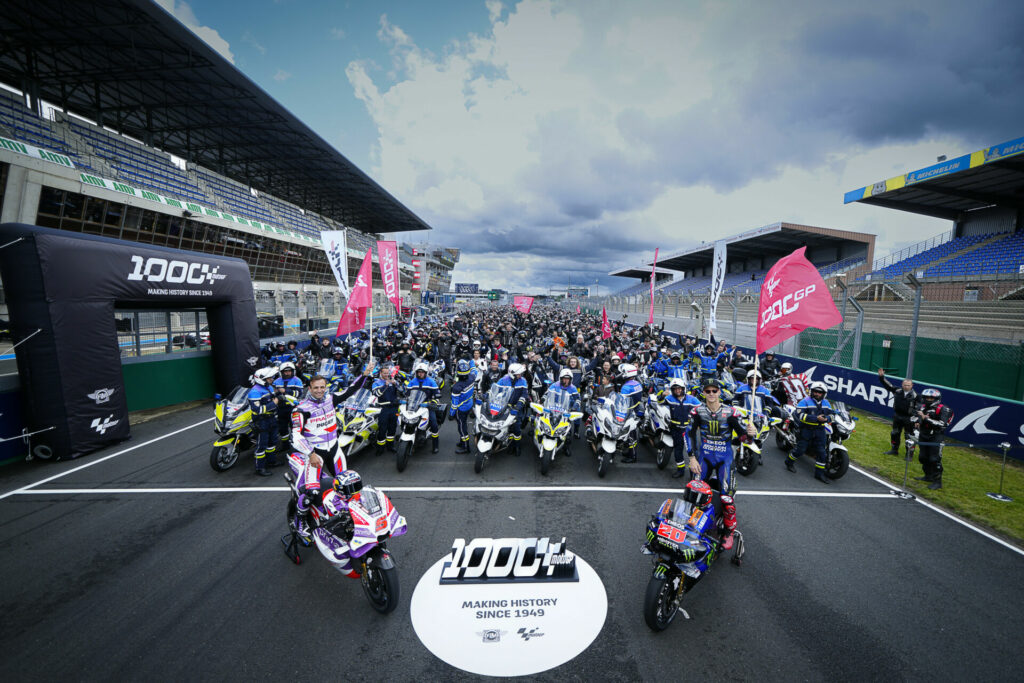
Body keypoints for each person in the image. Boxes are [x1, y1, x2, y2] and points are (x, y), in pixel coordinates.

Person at [687, 378, 755, 549]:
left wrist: (751, 434)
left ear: (719, 392)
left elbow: (743, 437)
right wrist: (692, 458)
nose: (711, 394)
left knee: (726, 497)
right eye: (708, 391)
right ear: (703, 393)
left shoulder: (731, 412)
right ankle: (691, 524)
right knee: (694, 493)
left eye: (714, 391)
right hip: (704, 458)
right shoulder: (696, 411)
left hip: (725, 458)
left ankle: (729, 531)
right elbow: (688, 435)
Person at [785, 381, 833, 484]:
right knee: (800, 450)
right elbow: (799, 416)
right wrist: (816, 418)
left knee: (822, 453)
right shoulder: (804, 401)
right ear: (812, 391)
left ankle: (819, 474)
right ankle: (789, 462)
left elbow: (832, 415)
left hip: (820, 431)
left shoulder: (827, 403)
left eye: (820, 392)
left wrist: (827, 418)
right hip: (806, 429)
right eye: (815, 391)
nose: (817, 394)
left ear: (824, 394)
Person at [911, 388, 953, 489]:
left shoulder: (944, 409)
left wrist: (926, 418)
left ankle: (937, 482)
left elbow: (943, 425)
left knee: (934, 459)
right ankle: (928, 476)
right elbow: (918, 417)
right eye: (927, 398)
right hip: (923, 435)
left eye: (931, 398)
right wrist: (918, 421)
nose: (929, 399)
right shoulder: (922, 406)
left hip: (936, 436)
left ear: (937, 398)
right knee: (922, 457)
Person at [659, 377, 700, 478]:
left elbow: (701, 409)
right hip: (676, 429)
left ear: (683, 388)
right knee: (678, 450)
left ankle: (694, 473)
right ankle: (680, 470)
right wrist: (661, 395)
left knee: (692, 451)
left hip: (689, 429)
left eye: (679, 388)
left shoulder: (692, 399)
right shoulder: (669, 399)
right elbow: (659, 402)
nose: (677, 390)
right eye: (675, 389)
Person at [248, 366, 280, 476]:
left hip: (272, 419)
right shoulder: (254, 392)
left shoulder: (269, 387)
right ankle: (260, 468)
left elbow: (275, 396)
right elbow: (257, 410)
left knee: (272, 442)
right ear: (262, 379)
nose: (272, 379)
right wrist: (274, 403)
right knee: (262, 445)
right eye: (269, 378)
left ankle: (271, 461)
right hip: (261, 422)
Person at [878, 369, 917, 456]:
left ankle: (909, 454)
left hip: (909, 418)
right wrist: (881, 377)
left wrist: (916, 419)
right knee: (895, 433)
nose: (906, 386)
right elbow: (888, 385)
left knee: (909, 436)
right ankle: (894, 450)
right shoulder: (897, 391)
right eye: (905, 385)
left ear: (912, 385)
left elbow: (919, 408)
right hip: (897, 416)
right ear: (902, 385)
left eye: (908, 385)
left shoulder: (915, 396)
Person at [405, 361, 441, 453]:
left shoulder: (431, 382)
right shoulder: (412, 382)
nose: (420, 374)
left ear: (425, 373)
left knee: (433, 423)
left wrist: (432, 402)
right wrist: (405, 400)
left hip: (426, 406)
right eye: (418, 372)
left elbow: (437, 394)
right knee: (404, 419)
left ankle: (435, 445)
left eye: (422, 372)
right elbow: (407, 394)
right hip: (414, 405)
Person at [496, 363, 529, 455]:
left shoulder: (523, 381)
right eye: (518, 374)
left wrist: (518, 405)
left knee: (516, 427)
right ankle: (509, 445)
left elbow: (524, 394)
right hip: (504, 406)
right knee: (506, 426)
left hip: (516, 408)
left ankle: (517, 445)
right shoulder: (503, 380)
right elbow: (495, 389)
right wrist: (488, 395)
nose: (520, 375)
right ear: (512, 374)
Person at [546, 369, 581, 455]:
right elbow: (546, 394)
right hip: (552, 408)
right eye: (564, 378)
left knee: (567, 430)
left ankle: (566, 447)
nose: (566, 380)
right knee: (545, 423)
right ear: (561, 378)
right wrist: (543, 399)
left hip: (565, 410)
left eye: (568, 379)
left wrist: (574, 407)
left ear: (570, 379)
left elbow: (578, 399)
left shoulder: (573, 388)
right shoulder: (554, 385)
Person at [272, 361, 304, 450]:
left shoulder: (297, 380)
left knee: (295, 428)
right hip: (280, 408)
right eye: (285, 371)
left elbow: (299, 394)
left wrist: (285, 391)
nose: (287, 373)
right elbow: (273, 393)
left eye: (289, 371)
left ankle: (298, 446)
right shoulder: (276, 381)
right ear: (281, 372)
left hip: (293, 408)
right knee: (282, 428)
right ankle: (285, 445)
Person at [617, 363, 644, 463]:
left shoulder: (626, 387)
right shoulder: (637, 383)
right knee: (632, 433)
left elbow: (622, 402)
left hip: (630, 412)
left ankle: (632, 456)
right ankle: (629, 452)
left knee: (630, 434)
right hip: (637, 410)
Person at [372, 365, 401, 455]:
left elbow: (403, 391)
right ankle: (380, 449)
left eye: (387, 373)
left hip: (394, 408)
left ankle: (390, 446)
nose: (386, 374)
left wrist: (396, 384)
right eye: (384, 373)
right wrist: (385, 385)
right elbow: (377, 394)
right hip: (383, 409)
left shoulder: (393, 381)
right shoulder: (376, 383)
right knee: (382, 429)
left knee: (392, 428)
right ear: (380, 373)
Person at [449, 359, 476, 454]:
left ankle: (466, 447)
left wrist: (451, 414)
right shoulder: (472, 377)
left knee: (461, 427)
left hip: (461, 409)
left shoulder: (457, 387)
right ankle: (462, 442)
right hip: (469, 404)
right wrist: (471, 360)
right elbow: (474, 369)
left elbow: (454, 404)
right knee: (463, 424)